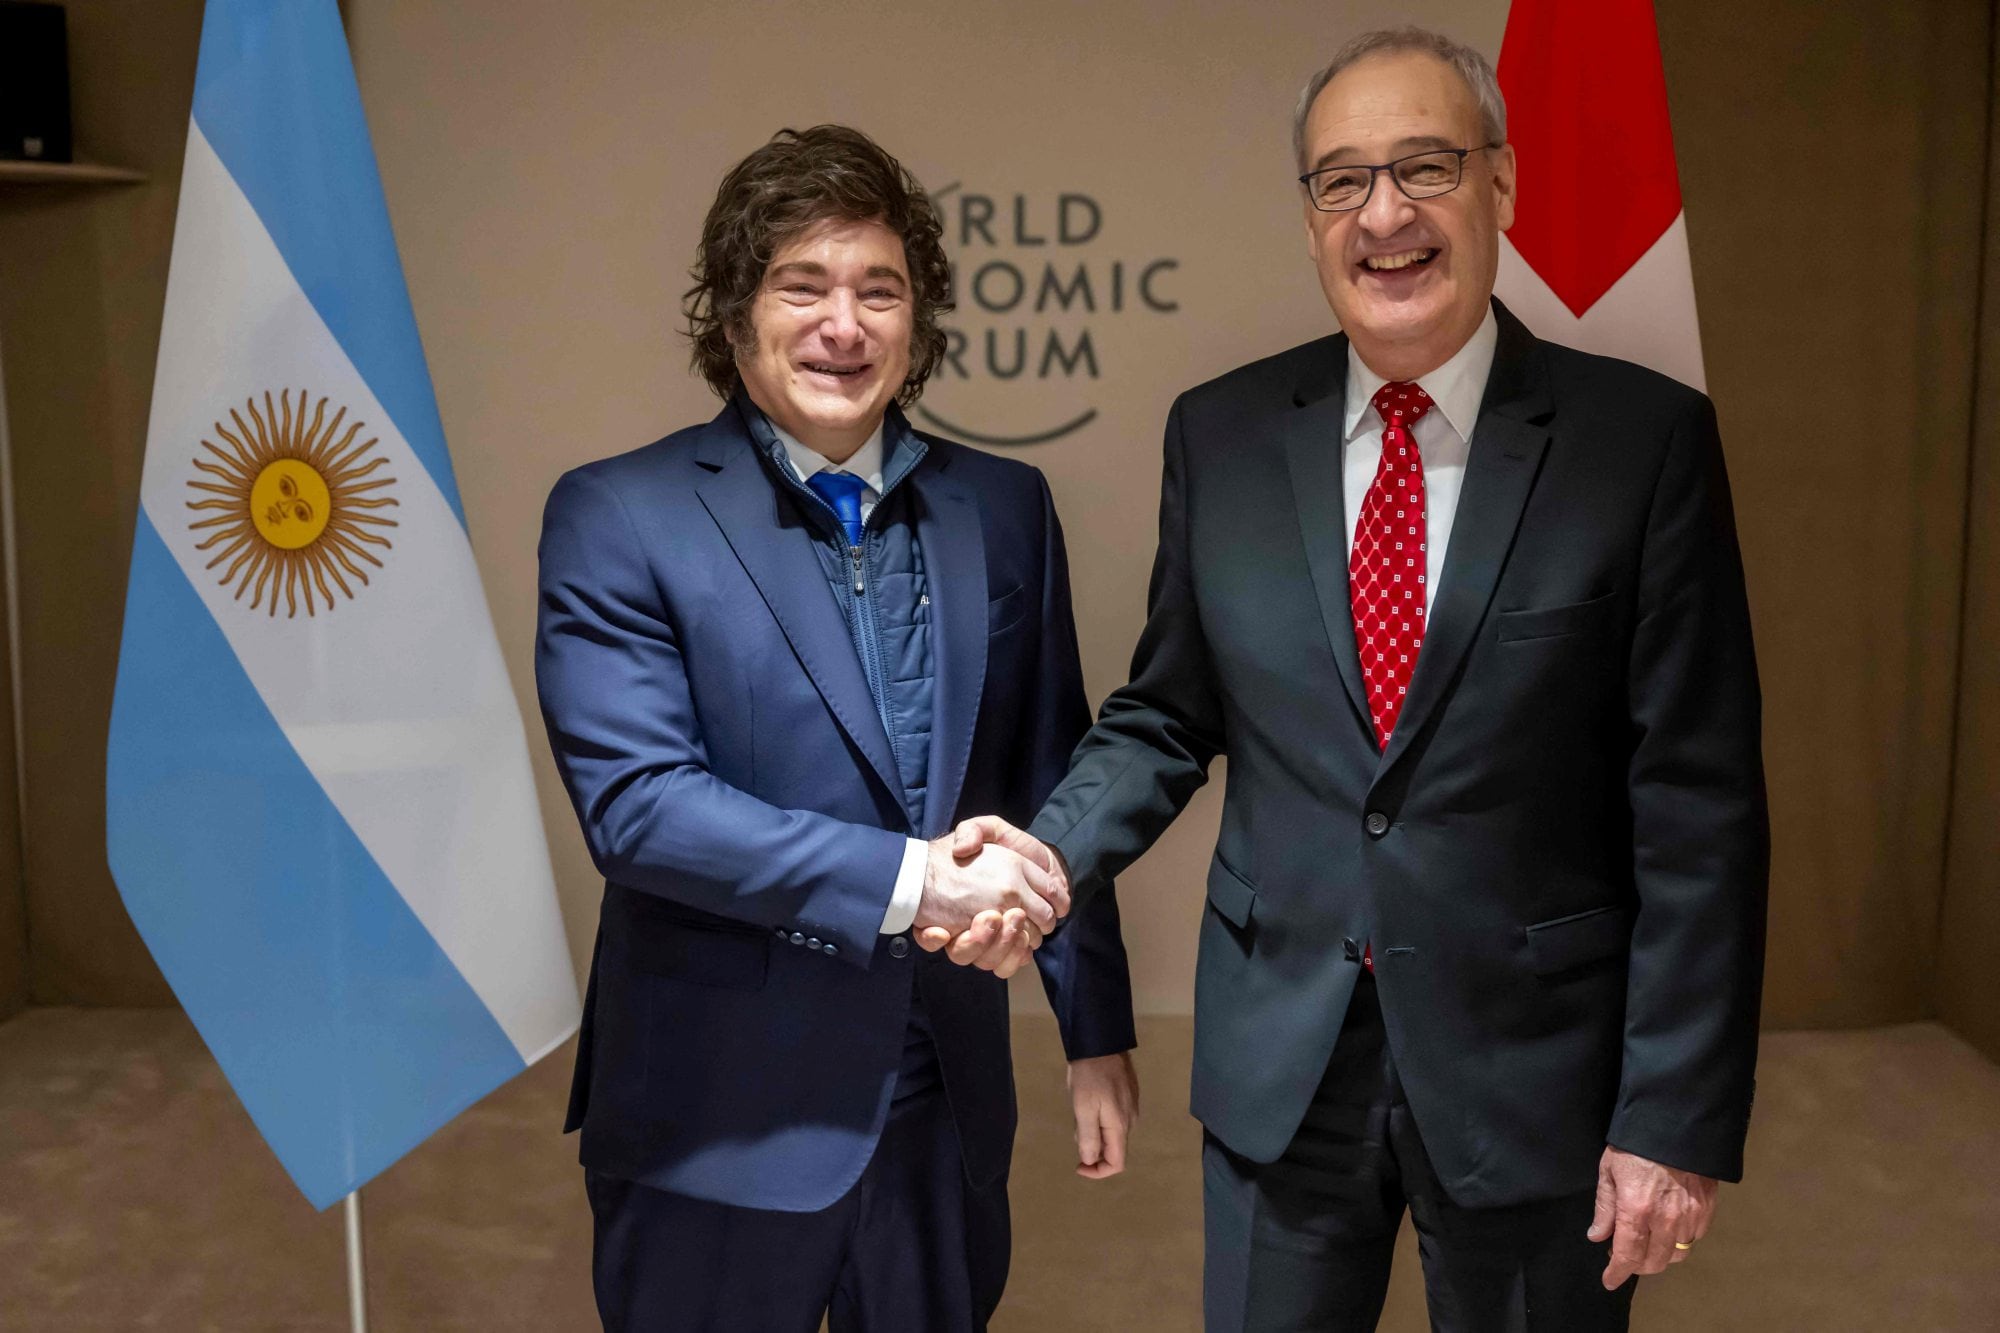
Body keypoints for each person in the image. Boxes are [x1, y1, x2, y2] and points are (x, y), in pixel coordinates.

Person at [945, 26, 1767, 1331]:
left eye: (1424, 167)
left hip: (1533, 1074)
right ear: (1312, 213)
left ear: (1500, 186)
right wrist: (1043, 860)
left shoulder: (1643, 444)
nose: (1383, 214)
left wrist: (1671, 1114)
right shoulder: (1218, 434)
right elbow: (1167, 712)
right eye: (1342, 179)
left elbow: (1699, 805)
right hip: (1284, 1063)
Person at [535, 123, 1139, 1333]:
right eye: (800, 285)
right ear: (732, 313)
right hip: (716, 1115)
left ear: (917, 321)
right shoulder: (618, 513)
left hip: (938, 1089)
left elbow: (1045, 770)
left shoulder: (1004, 508)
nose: (843, 324)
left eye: (879, 289)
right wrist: (917, 882)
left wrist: (1091, 1029)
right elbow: (640, 808)